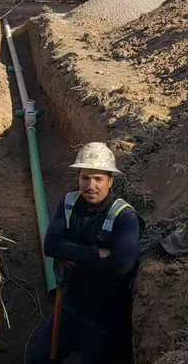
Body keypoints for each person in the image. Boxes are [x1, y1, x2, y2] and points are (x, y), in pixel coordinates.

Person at [29, 142, 144, 363]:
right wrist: (94, 253)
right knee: (40, 358)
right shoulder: (69, 202)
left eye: (98, 179)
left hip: (105, 315)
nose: (91, 185)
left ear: (110, 182)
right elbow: (51, 245)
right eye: (85, 178)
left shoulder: (124, 216)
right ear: (78, 178)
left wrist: (74, 261)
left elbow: (120, 268)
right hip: (70, 304)